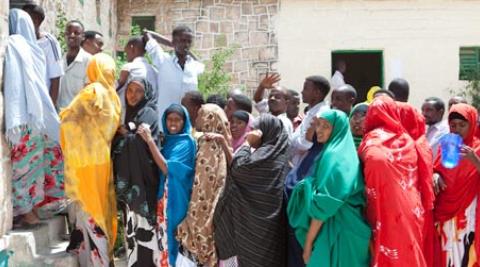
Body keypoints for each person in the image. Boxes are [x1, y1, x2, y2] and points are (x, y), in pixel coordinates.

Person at [288, 110, 371, 267]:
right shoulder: (338, 151)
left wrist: (308, 245)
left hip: (341, 232)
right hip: (346, 229)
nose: (319, 130)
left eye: (326, 126)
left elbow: (324, 207)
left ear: (338, 129)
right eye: (318, 124)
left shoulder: (336, 158)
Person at [60, 53, 121, 266]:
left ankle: (99, 262)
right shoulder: (114, 97)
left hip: (86, 162)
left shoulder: (93, 91)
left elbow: (67, 118)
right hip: (102, 161)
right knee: (100, 209)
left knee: (89, 211)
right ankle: (101, 259)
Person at [5, 9, 64, 227]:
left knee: (26, 170)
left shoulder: (14, 46)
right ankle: (27, 212)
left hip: (23, 117)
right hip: (35, 117)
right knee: (29, 168)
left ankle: (28, 212)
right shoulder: (30, 49)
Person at [359, 96, 427, 267]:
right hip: (410, 207)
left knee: (385, 251)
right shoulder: (408, 141)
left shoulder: (370, 140)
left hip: (383, 206)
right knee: (408, 250)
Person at [214, 114, 289, 267]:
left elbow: (239, 167)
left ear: (266, 132)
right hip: (266, 228)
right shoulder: (279, 155)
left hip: (252, 227)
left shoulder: (264, 155)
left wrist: (247, 143)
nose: (251, 133)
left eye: (256, 130)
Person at [137, 104, 196, 266]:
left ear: (184, 121)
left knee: (173, 240)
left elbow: (166, 167)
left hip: (177, 200)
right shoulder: (169, 141)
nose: (173, 123)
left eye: (178, 119)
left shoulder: (186, 142)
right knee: (165, 242)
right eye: (169, 119)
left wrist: (149, 140)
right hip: (165, 198)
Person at [177, 104, 233, 266]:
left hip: (202, 215)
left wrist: (193, 219)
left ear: (210, 119)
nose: (196, 118)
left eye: (200, 114)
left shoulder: (210, 147)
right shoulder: (217, 145)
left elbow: (203, 189)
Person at [112, 77, 160, 267]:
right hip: (132, 187)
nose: (132, 95)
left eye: (138, 91)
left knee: (144, 233)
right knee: (132, 232)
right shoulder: (129, 117)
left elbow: (141, 140)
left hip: (143, 186)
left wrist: (124, 136)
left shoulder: (148, 112)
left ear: (146, 93)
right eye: (130, 90)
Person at [434, 103, 480, 267]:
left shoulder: (477, 148)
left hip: (468, 214)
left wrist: (475, 161)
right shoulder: (445, 147)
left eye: (462, 125)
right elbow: (437, 168)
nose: (457, 129)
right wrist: (435, 175)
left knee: (466, 254)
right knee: (447, 256)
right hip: (445, 213)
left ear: (472, 124)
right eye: (453, 125)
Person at [144, 25, 205, 125]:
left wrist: (188, 51)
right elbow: (147, 33)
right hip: (164, 125)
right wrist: (171, 43)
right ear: (174, 41)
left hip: (186, 125)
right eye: (182, 40)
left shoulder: (193, 66)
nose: (186, 44)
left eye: (189, 41)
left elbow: (201, 65)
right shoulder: (163, 60)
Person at [23, 4, 64, 104]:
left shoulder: (49, 42)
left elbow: (55, 77)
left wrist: (51, 106)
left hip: (42, 101)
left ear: (36, 21)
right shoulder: (20, 40)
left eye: (24, 18)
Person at [290, 75, 330, 165]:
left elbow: (303, 145)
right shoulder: (311, 112)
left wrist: (295, 142)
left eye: (305, 89)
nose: (302, 92)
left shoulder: (321, 114)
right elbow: (294, 139)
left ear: (316, 93)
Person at [57, 20, 91, 110]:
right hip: (57, 117)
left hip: (78, 118)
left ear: (83, 37)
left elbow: (89, 94)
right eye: (68, 32)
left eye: (76, 33)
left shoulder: (89, 61)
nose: (72, 35)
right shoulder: (58, 60)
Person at [253, 73, 295, 137]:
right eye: (270, 96)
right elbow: (258, 100)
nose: (272, 98)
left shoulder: (284, 122)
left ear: (286, 103)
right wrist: (261, 87)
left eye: (277, 97)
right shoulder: (267, 113)